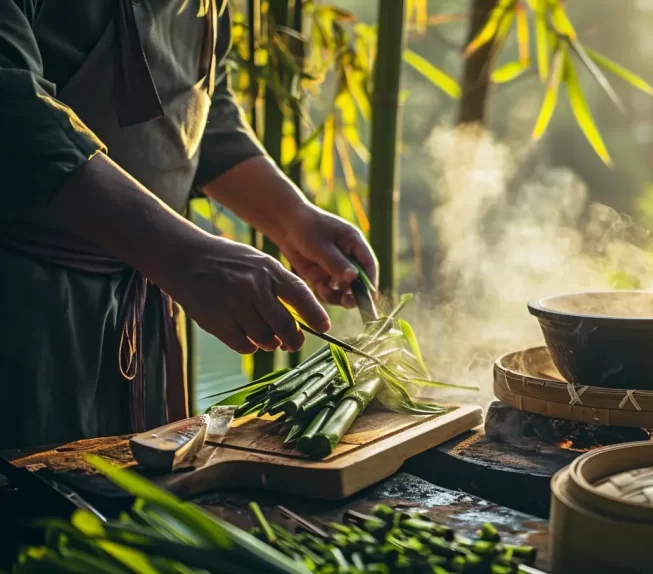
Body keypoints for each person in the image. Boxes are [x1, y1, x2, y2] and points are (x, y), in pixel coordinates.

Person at [0, 0, 377, 449]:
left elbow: (199, 113)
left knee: (136, 503)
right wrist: (183, 254)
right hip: (26, 310)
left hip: (142, 313)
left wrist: (293, 218)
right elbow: (15, 111)